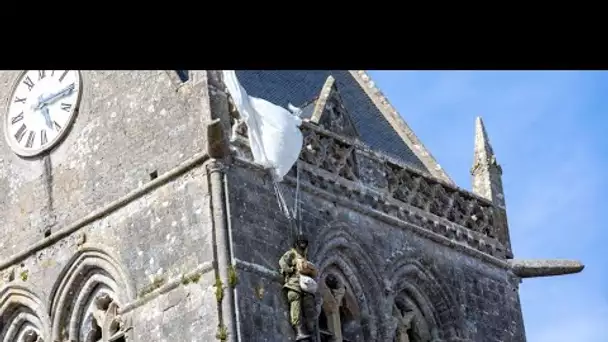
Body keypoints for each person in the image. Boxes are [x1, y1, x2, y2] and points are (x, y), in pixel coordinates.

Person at [279, 233, 317, 340]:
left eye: (304, 243)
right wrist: (290, 270)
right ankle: (299, 331)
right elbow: (282, 262)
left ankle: (310, 329)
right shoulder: (291, 254)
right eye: (301, 243)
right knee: (295, 306)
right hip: (294, 284)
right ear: (297, 244)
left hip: (305, 285)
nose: (303, 245)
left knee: (309, 305)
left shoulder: (305, 257)